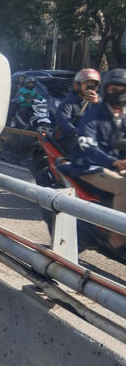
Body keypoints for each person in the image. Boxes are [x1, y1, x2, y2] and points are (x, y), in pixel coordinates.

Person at [69, 68, 126, 248]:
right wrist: (113, 161)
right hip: (90, 165)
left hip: (117, 163)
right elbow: (88, 144)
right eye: (113, 90)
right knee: (124, 187)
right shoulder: (94, 113)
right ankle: (116, 235)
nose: (119, 95)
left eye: (123, 90)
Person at [55, 69, 101, 154]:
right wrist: (78, 133)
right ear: (77, 86)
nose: (90, 86)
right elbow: (63, 122)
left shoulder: (99, 101)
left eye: (93, 84)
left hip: (94, 138)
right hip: (70, 138)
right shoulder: (67, 103)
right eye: (86, 83)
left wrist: (97, 103)